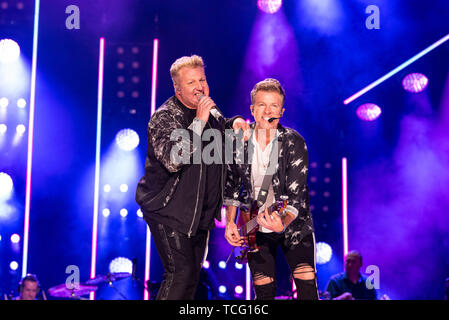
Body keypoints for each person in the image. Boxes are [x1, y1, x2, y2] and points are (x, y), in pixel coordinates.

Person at [135, 54, 249, 300]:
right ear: (177, 88)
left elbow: (221, 132)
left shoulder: (209, 114)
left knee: (192, 278)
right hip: (167, 211)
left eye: (202, 79)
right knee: (180, 273)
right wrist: (199, 120)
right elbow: (173, 160)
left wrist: (235, 122)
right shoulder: (164, 117)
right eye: (191, 82)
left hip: (200, 215)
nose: (200, 86)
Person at [224, 78, 319, 300]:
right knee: (263, 294)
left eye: (274, 106)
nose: (268, 111)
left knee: (306, 288)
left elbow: (297, 196)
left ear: (282, 111)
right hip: (254, 228)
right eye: (262, 105)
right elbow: (230, 188)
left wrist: (282, 222)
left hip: (294, 224)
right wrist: (230, 222)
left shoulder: (294, 142)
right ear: (252, 109)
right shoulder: (238, 144)